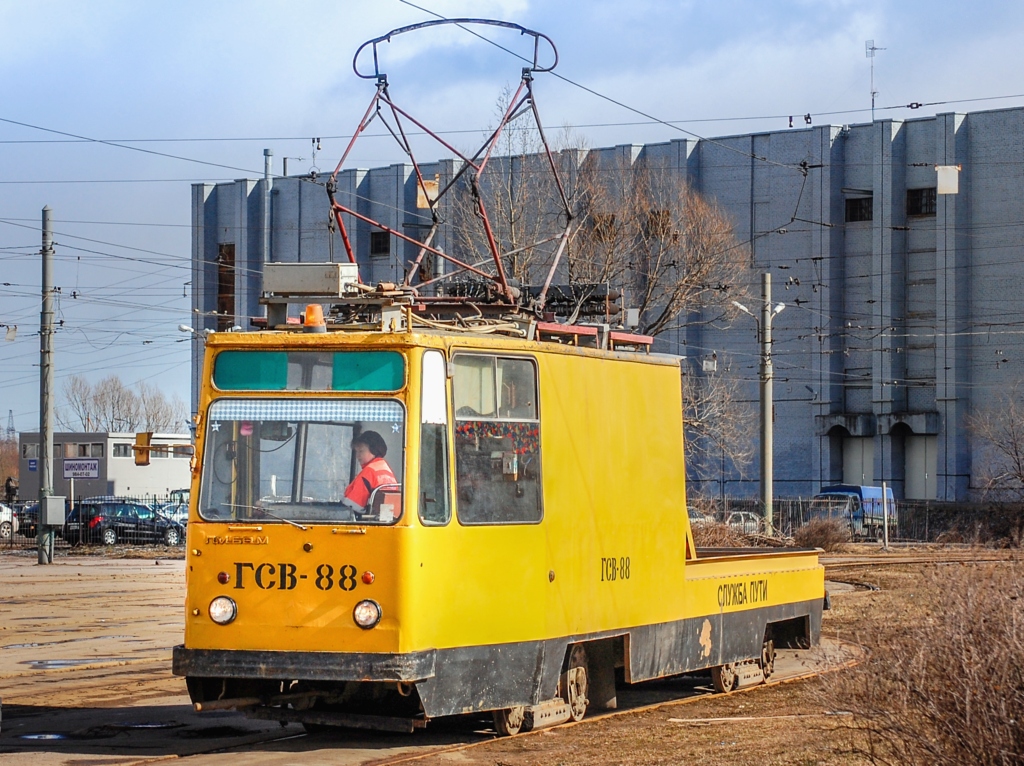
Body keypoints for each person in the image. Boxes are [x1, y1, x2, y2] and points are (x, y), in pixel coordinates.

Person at [342, 431, 397, 513]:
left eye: (361, 451)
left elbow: (352, 506)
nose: (357, 455)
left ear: (374, 450)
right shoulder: (384, 468)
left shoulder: (368, 472)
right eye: (356, 452)